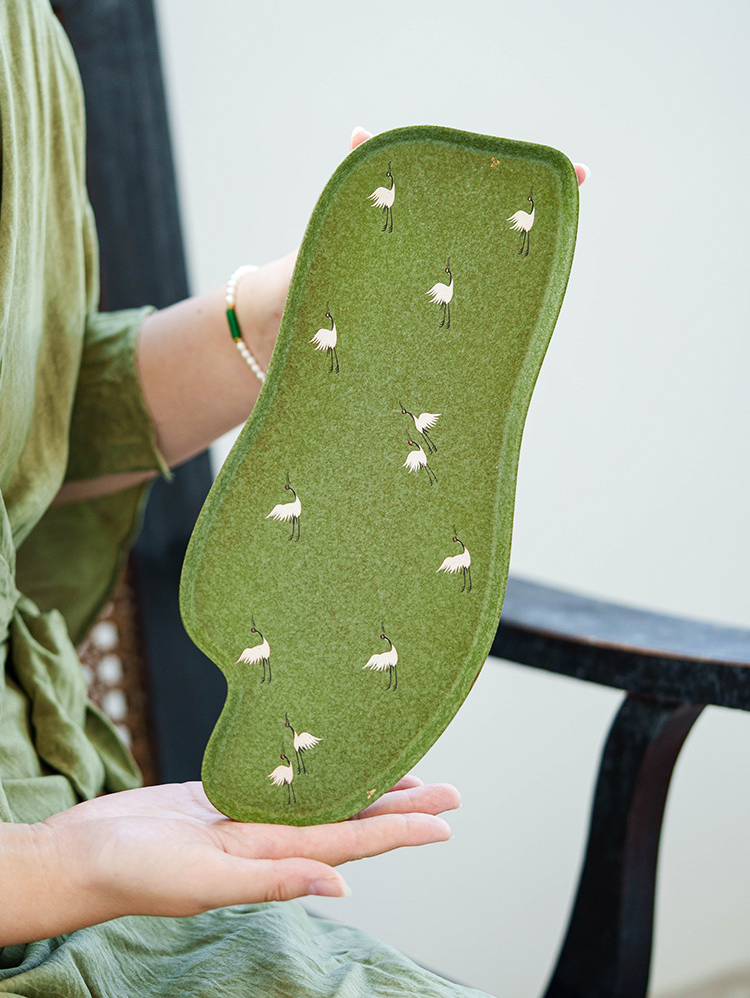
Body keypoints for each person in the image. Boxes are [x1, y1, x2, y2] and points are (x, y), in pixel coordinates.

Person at [0, 2, 587, 995]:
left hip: (62, 815)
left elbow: (35, 420)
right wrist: (51, 867)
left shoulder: (20, 40)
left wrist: (274, 324)